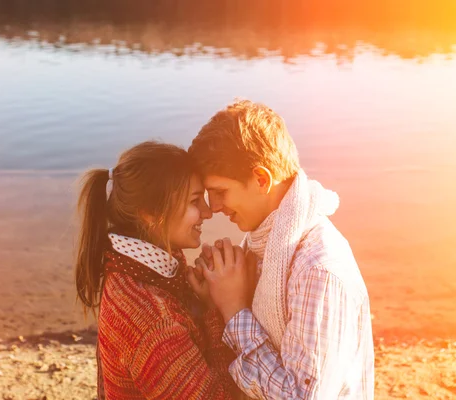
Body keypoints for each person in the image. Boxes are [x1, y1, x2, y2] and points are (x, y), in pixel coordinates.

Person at [187, 100, 375, 399]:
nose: (215, 208)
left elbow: (300, 396)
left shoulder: (317, 271)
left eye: (220, 192)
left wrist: (234, 310)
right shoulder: (265, 246)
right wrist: (214, 298)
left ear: (262, 179)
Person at [74, 141, 239, 399]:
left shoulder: (136, 266)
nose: (208, 212)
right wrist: (222, 310)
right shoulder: (152, 318)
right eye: (196, 201)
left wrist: (203, 299)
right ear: (150, 213)